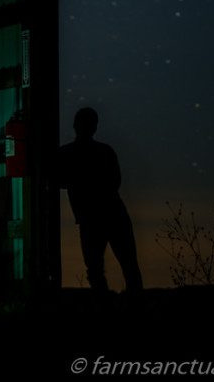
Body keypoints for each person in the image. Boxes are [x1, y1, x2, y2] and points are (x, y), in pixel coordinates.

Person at [59, 107, 143, 294]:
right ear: (95, 127)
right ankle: (134, 305)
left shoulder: (66, 154)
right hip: (113, 214)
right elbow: (115, 182)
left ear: (75, 125)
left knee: (96, 269)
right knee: (128, 265)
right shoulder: (104, 151)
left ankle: (104, 307)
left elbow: (57, 179)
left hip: (91, 219)